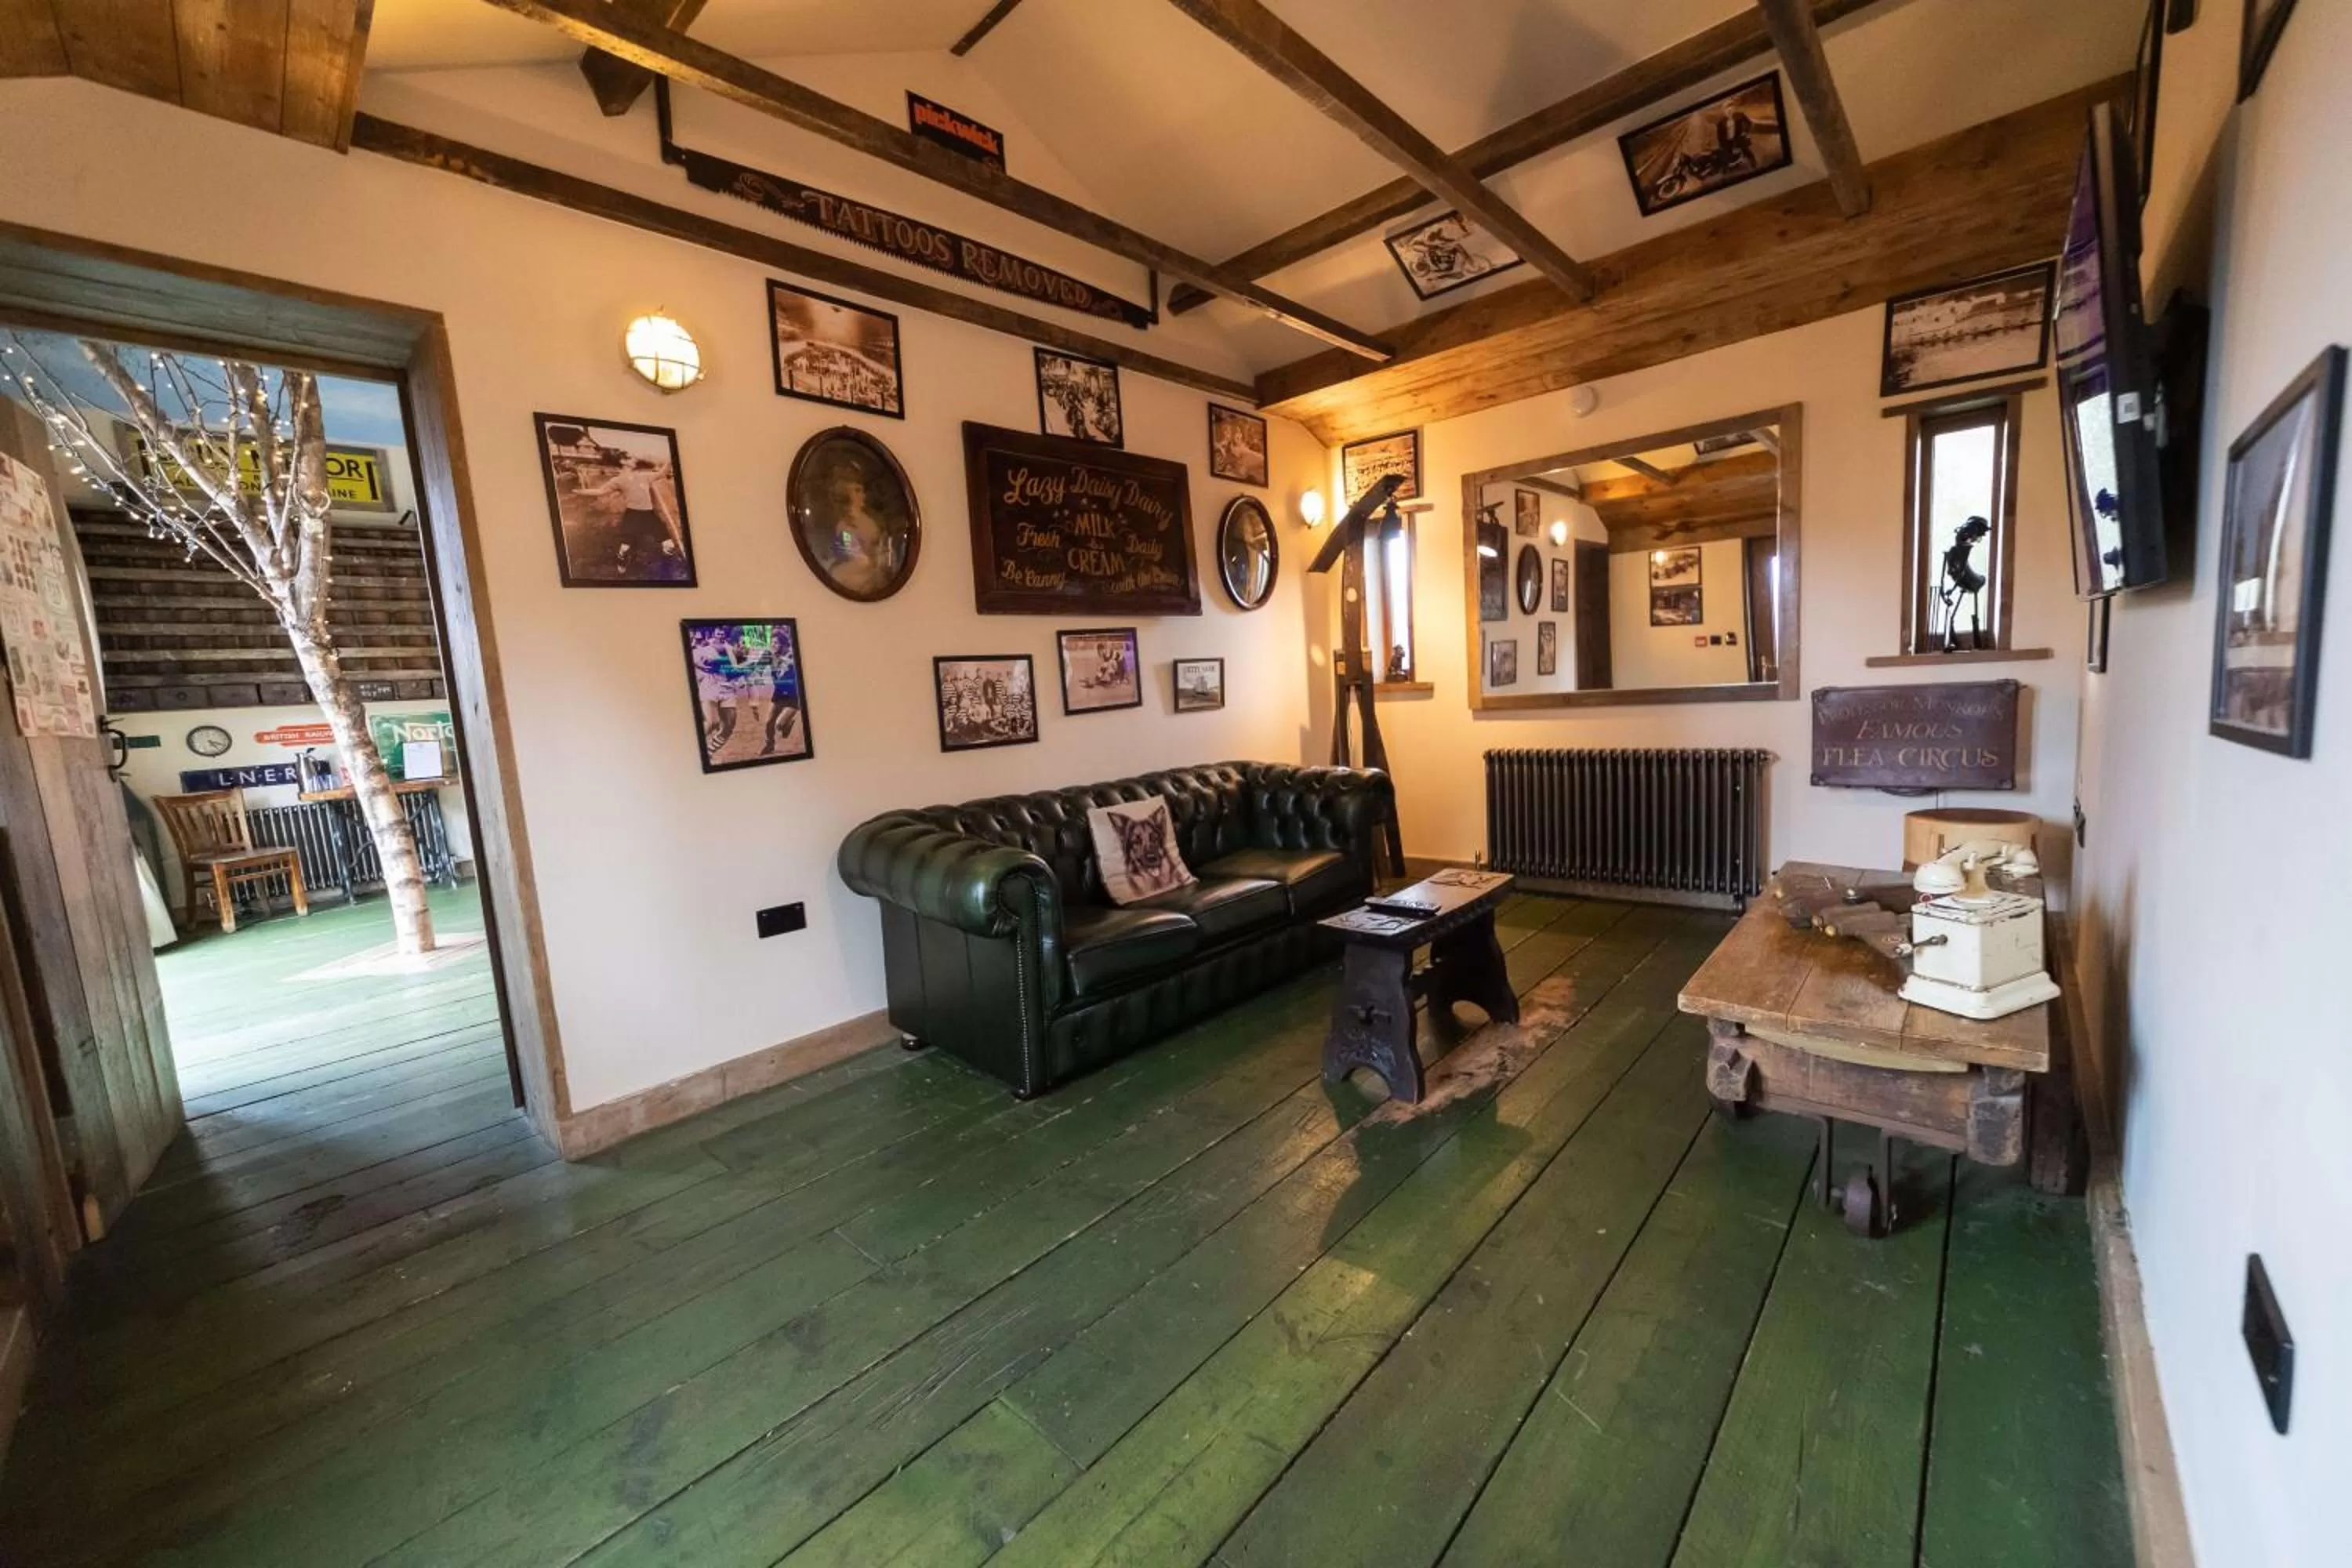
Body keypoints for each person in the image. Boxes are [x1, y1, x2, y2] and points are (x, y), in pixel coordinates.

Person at [576, 455, 686, 581]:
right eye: (630, 459)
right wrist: (580, 492)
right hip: (633, 515)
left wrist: (669, 461)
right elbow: (601, 492)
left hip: (649, 515)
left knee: (670, 545)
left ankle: (666, 571)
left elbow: (662, 473)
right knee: (625, 548)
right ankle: (621, 559)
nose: (633, 460)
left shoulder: (645, 476)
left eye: (633, 459)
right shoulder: (617, 480)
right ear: (624, 464)